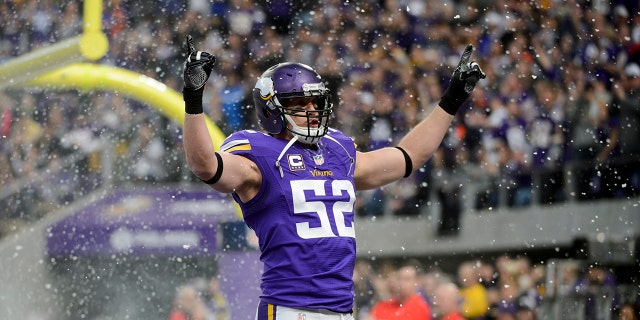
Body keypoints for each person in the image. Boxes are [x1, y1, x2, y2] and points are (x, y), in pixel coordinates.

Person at [181, 34, 485, 318]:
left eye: (315, 102)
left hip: (340, 308)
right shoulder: (258, 153)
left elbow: (407, 158)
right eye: (300, 104)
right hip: (290, 307)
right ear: (273, 109)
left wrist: (451, 100)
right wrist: (194, 98)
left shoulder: (337, 149)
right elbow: (205, 166)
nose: (312, 110)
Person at [366, 264, 432, 320]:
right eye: (399, 279)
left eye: (407, 279)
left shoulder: (420, 308)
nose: (402, 283)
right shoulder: (384, 305)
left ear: (416, 282)